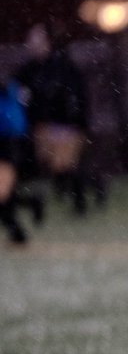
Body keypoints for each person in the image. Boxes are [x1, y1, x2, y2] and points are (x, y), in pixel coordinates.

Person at [15, 22, 102, 215]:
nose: (30, 43)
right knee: (49, 166)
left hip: (66, 126)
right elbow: (19, 94)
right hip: (41, 127)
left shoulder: (63, 67)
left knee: (63, 166)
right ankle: (93, 184)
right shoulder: (27, 70)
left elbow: (75, 97)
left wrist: (75, 122)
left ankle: (81, 201)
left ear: (47, 41)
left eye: (35, 38)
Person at [0, 74, 43, 245]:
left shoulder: (9, 92)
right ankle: (30, 206)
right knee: (6, 196)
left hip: (6, 147)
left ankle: (18, 232)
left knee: (4, 197)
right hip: (13, 146)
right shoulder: (13, 89)